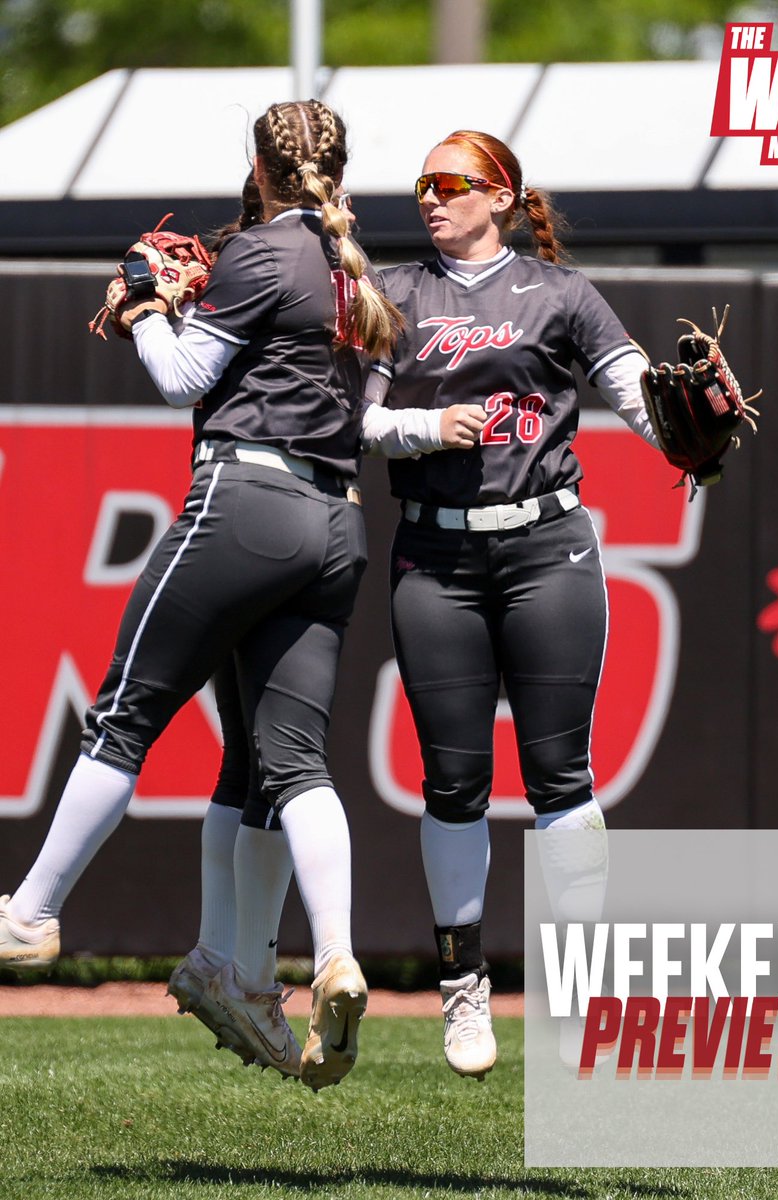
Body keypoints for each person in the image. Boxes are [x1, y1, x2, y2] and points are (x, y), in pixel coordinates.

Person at [0, 101, 482, 1092]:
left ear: (260, 168)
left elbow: (183, 377)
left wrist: (143, 305)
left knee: (124, 716)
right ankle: (327, 956)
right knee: (287, 762)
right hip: (337, 523)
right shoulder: (361, 278)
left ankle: (31, 912)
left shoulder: (264, 253)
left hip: (245, 502)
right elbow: (364, 415)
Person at [367, 130, 659, 1080]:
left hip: (546, 546)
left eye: (450, 183)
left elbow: (636, 393)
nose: (430, 197)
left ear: (500, 194)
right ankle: (462, 993)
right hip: (435, 551)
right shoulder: (397, 292)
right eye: (421, 184)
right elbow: (348, 417)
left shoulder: (561, 292)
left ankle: (583, 997)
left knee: (558, 778)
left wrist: (686, 431)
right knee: (451, 782)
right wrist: (419, 426)